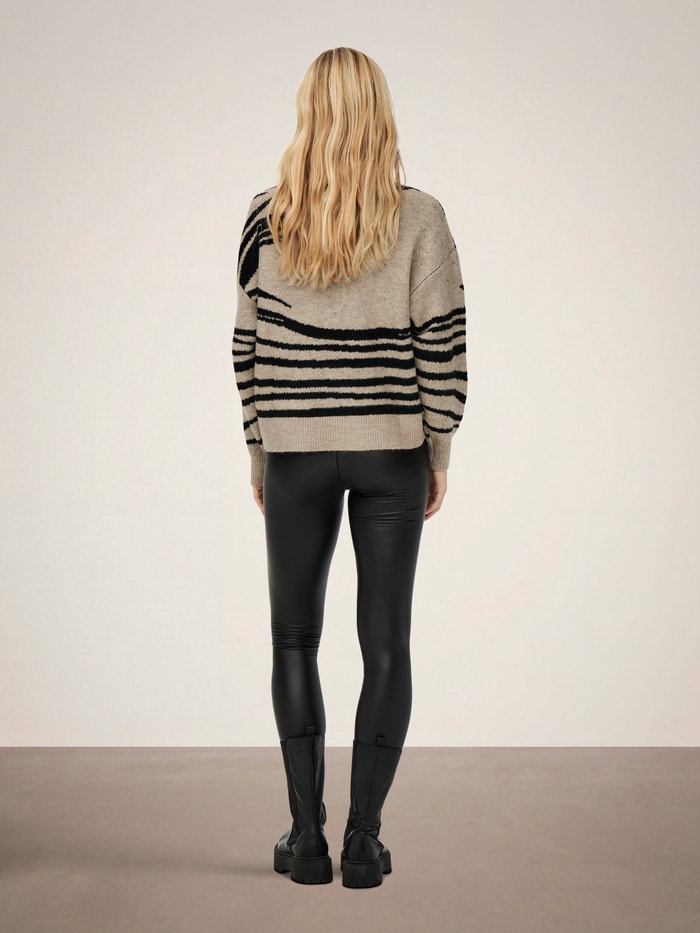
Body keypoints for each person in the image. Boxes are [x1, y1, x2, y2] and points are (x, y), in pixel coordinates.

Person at [232, 47, 467, 888]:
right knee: (386, 642)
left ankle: (307, 839)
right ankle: (364, 840)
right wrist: (438, 448)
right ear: (381, 115)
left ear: (309, 115)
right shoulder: (421, 217)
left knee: (293, 638)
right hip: (389, 450)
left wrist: (260, 449)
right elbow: (443, 344)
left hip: (295, 452)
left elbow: (246, 348)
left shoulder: (266, 217)